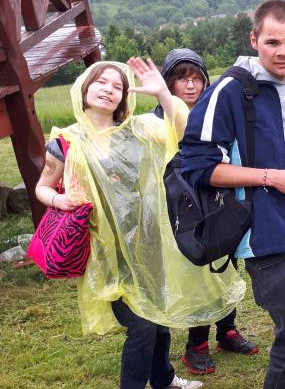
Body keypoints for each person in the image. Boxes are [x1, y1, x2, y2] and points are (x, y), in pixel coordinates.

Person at [36, 59, 244, 389]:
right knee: (142, 324)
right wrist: (58, 200)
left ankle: (163, 379)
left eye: (117, 86)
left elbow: (182, 133)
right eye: (101, 82)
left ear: (124, 97)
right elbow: (42, 187)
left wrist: (163, 95)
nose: (108, 89)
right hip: (107, 252)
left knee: (158, 313)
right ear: (84, 87)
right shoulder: (65, 142)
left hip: (148, 242)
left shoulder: (139, 131)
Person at [181, 0, 285, 388]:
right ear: (254, 39)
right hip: (267, 237)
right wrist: (270, 177)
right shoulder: (231, 91)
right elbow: (197, 166)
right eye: (272, 42)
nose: (282, 52)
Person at [156, 49, 259, 375]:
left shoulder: (217, 110)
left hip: (219, 198)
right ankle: (196, 344)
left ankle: (227, 330)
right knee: (197, 270)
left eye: (196, 78)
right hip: (183, 208)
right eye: (181, 79)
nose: (190, 85)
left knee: (227, 262)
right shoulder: (157, 121)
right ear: (168, 83)